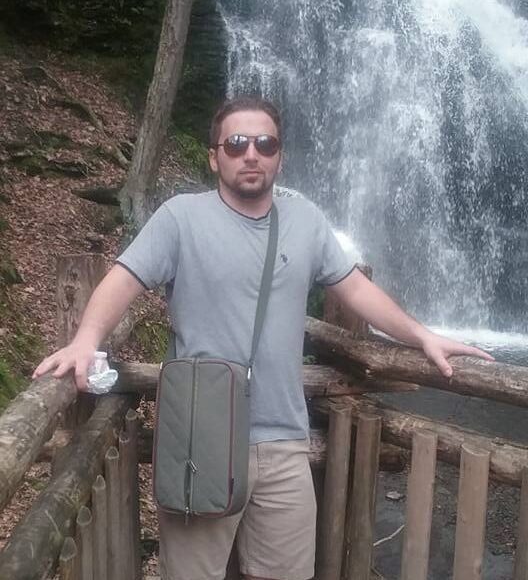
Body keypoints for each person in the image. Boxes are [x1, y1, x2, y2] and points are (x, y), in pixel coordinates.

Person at [33, 95, 493, 580]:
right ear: (215, 156)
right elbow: (124, 279)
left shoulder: (306, 221)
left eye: (264, 143)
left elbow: (357, 289)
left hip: (285, 441)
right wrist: (86, 340)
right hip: (200, 440)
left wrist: (422, 335)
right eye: (235, 143)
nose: (250, 153)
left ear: (279, 156)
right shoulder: (180, 218)